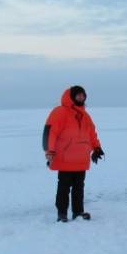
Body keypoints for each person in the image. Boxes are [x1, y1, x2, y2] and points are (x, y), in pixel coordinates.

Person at [43, 85, 104, 222]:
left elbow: (91, 133)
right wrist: (49, 150)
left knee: (79, 188)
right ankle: (62, 213)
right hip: (65, 159)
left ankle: (78, 212)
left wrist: (97, 148)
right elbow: (50, 132)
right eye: (78, 95)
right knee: (64, 187)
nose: (81, 97)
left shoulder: (85, 116)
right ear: (72, 96)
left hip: (81, 159)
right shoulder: (60, 112)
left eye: (83, 95)